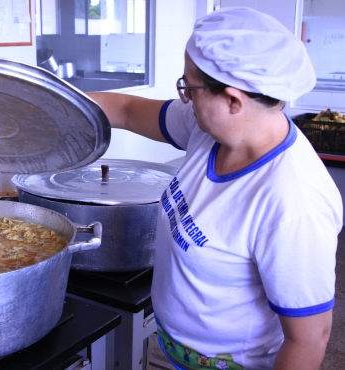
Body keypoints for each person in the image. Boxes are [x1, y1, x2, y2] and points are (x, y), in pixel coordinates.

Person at [88, 7, 343, 370]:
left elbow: (308, 339)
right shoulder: (209, 129)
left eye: (189, 88)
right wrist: (47, 104)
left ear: (234, 100)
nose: (185, 98)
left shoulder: (294, 204)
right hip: (172, 348)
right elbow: (126, 109)